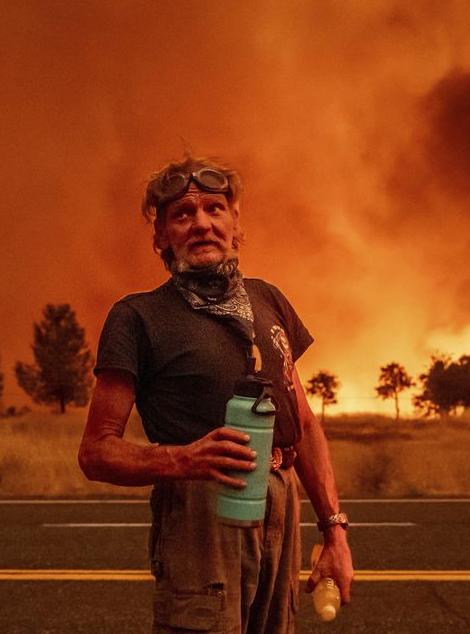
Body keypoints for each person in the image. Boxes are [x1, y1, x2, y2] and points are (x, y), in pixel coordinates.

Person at [78, 155, 353, 634]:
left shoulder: (269, 299)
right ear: (161, 236)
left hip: (280, 501)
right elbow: (96, 451)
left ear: (235, 222)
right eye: (183, 214)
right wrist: (182, 461)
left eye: (214, 208)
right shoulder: (137, 317)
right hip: (198, 511)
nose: (201, 223)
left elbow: (304, 424)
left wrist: (334, 533)